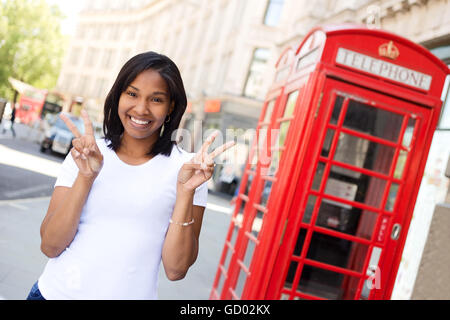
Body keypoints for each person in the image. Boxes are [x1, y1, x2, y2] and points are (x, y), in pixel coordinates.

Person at [26, 51, 235, 300]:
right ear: (118, 97)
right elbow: (50, 245)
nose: (141, 108)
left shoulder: (188, 170)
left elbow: (176, 269)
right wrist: (86, 178)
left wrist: (185, 192)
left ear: (171, 107)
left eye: (156, 99)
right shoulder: (87, 154)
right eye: (132, 94)